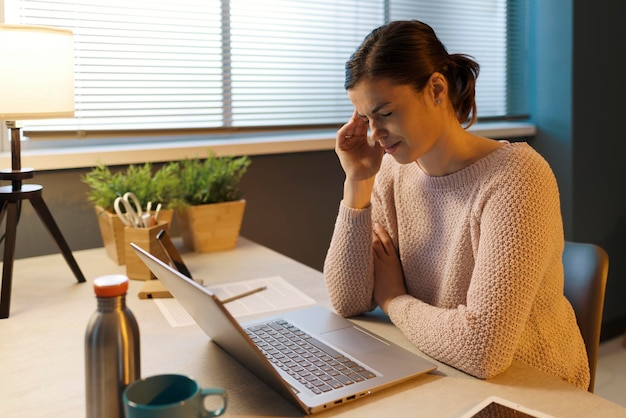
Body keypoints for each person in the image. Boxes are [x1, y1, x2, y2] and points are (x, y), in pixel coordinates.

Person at [323, 20, 590, 390]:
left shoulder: (516, 178)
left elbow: (483, 349)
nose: (373, 134)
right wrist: (357, 182)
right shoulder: (392, 173)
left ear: (436, 89)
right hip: (441, 374)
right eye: (367, 119)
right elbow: (347, 299)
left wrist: (393, 299)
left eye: (385, 113)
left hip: (530, 391)